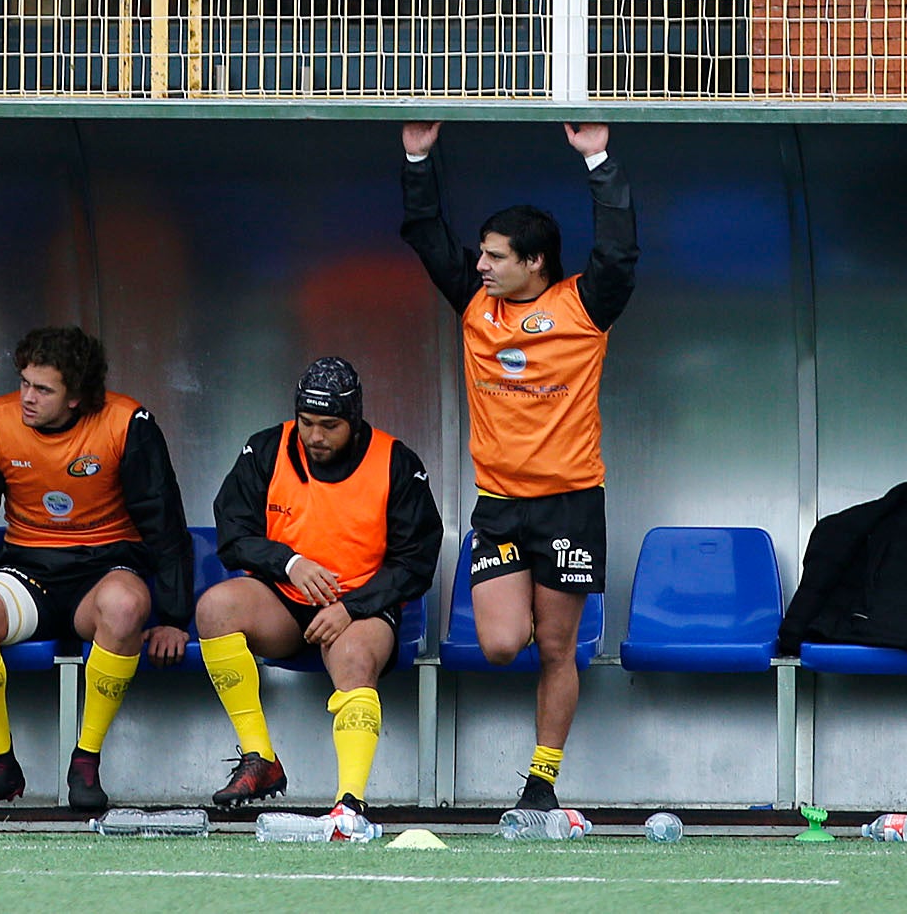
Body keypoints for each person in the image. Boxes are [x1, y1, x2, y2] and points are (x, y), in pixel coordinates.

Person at [399, 120, 637, 813]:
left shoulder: (583, 305)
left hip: (569, 502)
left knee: (557, 646)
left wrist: (597, 157)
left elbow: (619, 248)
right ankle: (526, 598)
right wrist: (417, 153)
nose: (480, 266)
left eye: (496, 257)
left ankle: (541, 779)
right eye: (480, 254)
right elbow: (424, 231)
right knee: (504, 643)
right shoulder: (476, 306)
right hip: (500, 503)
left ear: (535, 262)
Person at [0, 325, 194, 812]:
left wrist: (176, 617)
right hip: (27, 568)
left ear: (76, 397)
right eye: (24, 383)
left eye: (43, 389)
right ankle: (0, 767)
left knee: (122, 605)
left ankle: (86, 760)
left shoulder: (125, 422)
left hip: (107, 566)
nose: (27, 398)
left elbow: (165, 521)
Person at [198, 357, 441, 835]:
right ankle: (259, 757)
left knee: (352, 658)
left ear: (353, 420)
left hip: (362, 605)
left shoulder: (396, 462)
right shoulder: (267, 447)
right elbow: (232, 532)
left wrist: (351, 607)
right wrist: (288, 562)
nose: (315, 436)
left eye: (330, 426)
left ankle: (349, 806)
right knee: (215, 608)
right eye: (307, 423)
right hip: (285, 600)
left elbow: (417, 563)